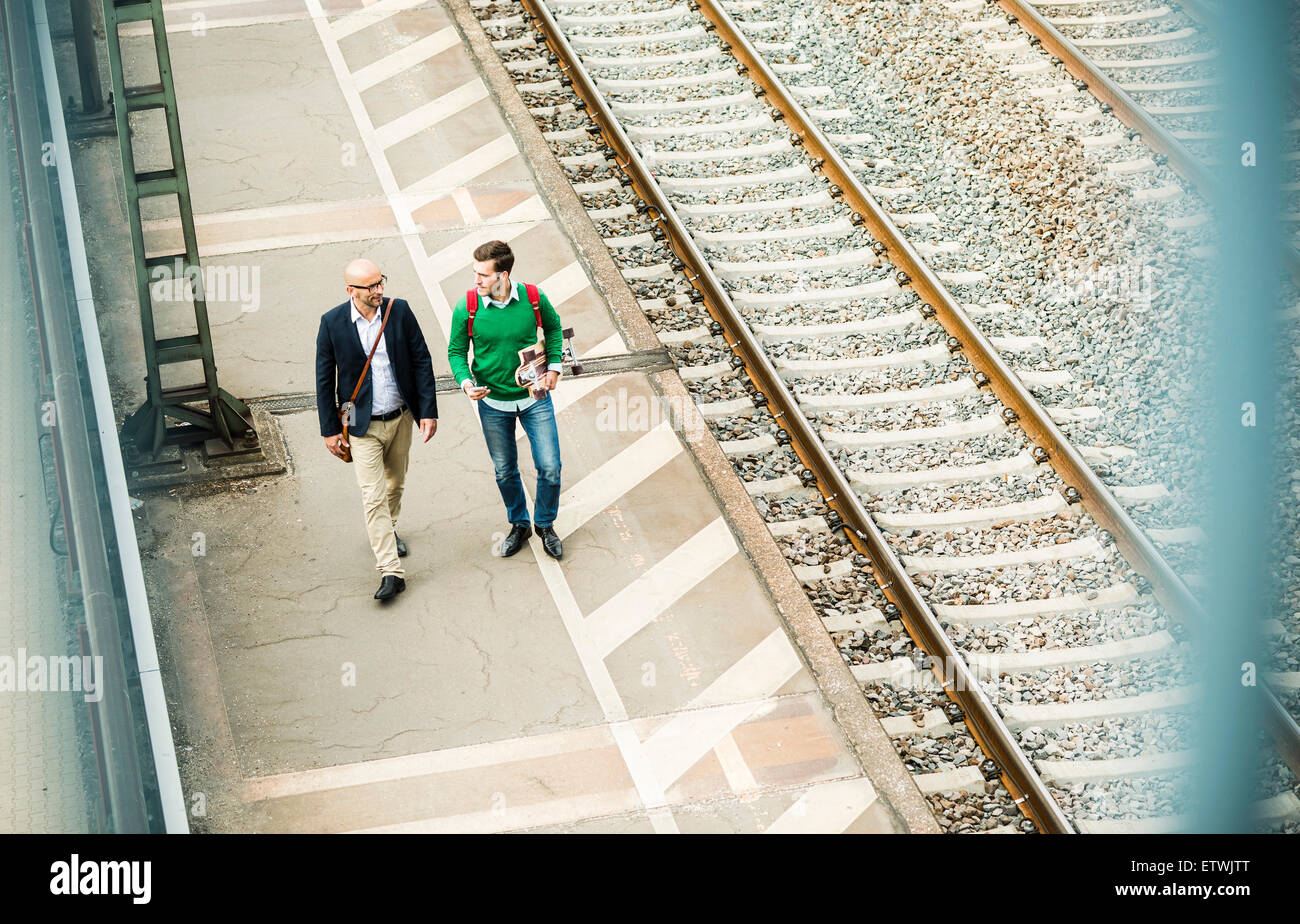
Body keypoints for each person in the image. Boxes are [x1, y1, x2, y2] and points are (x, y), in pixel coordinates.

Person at [316, 259, 439, 601]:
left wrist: (427, 410)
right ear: (350, 290)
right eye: (369, 287)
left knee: (394, 484)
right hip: (361, 425)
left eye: (380, 282)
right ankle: (391, 571)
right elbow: (324, 379)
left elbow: (421, 359)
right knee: (372, 497)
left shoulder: (399, 312)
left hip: (400, 418)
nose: (378, 290)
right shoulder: (332, 323)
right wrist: (330, 430)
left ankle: (390, 528)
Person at [447, 240, 565, 559]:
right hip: (492, 403)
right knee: (504, 470)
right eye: (475, 273)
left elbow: (554, 330)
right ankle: (519, 523)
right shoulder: (467, 307)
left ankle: (544, 525)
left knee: (550, 467)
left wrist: (554, 366)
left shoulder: (533, 298)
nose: (476, 281)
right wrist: (466, 382)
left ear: (503, 274)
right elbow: (456, 351)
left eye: (483, 275)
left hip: (534, 397)